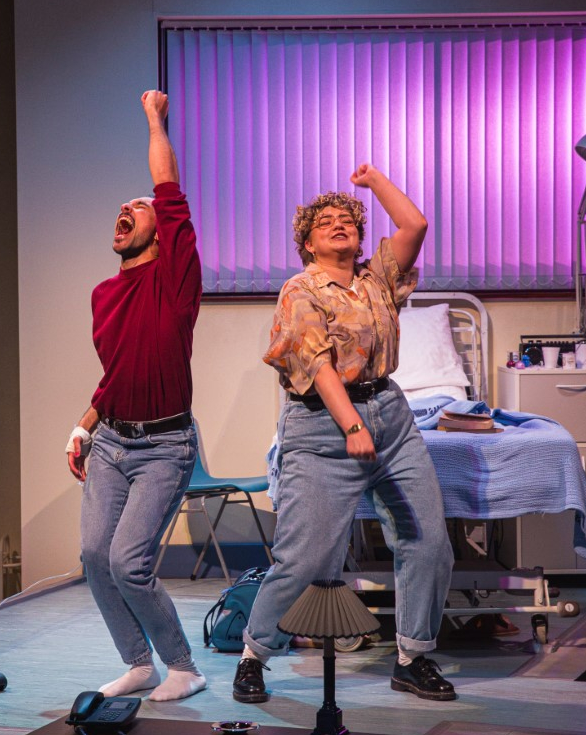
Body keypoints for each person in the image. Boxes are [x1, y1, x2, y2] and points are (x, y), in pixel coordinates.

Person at [232, 164, 456, 704]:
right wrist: (351, 424)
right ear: (306, 243)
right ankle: (254, 655)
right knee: (304, 559)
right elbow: (317, 362)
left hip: (391, 414)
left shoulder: (375, 278)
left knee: (428, 542)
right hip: (321, 424)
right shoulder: (300, 289)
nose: (338, 225)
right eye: (325, 222)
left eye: (347, 220)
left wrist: (375, 183)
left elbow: (415, 226)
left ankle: (412, 656)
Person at [65, 90, 206, 702]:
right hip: (111, 440)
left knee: (129, 561)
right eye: (123, 206)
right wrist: (84, 424)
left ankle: (183, 666)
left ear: (160, 231)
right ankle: (138, 663)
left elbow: (168, 190)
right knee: (95, 557)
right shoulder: (102, 294)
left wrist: (154, 119)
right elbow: (118, 371)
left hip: (165, 445)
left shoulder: (174, 280)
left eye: (140, 205)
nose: (128, 207)